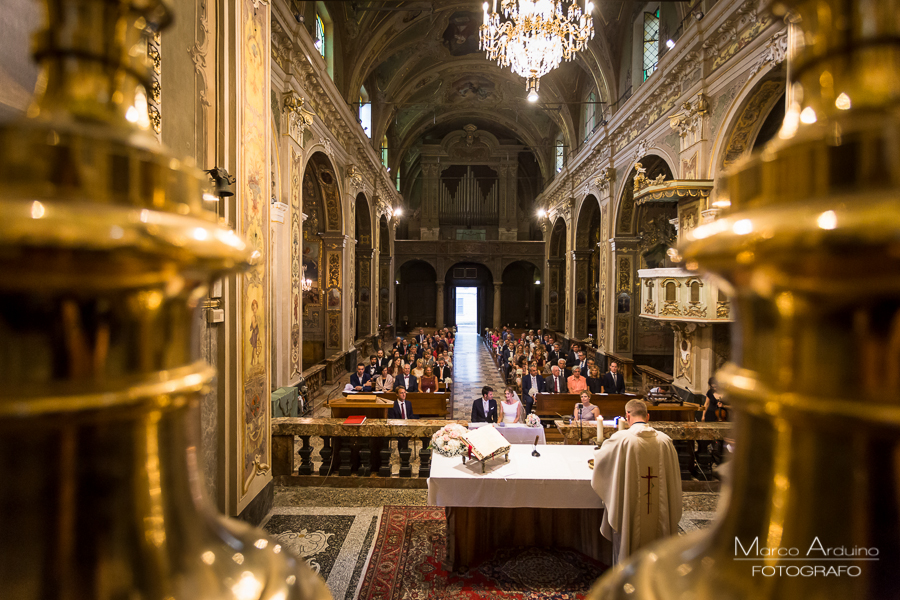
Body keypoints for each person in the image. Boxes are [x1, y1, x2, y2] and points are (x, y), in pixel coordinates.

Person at [591, 399, 682, 565]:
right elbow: (674, 481)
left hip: (630, 512)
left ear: (627, 415)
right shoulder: (665, 441)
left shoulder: (621, 439)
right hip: (659, 513)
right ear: (648, 416)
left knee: (628, 533)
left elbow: (600, 463)